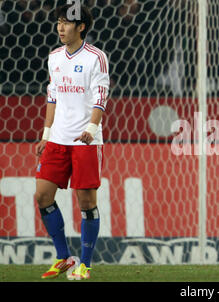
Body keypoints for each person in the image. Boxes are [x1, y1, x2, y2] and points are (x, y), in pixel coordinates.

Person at [34, 4, 109, 280]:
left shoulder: (96, 58)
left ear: (81, 27)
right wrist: (46, 134)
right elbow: (52, 96)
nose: (60, 28)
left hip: (85, 141)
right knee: (42, 195)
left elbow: (101, 97)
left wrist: (92, 127)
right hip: (58, 139)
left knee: (86, 202)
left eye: (66, 23)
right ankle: (64, 257)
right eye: (58, 22)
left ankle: (85, 264)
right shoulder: (54, 57)